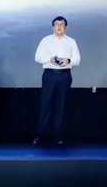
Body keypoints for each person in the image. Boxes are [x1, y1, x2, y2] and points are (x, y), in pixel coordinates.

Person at [33, 16, 81, 146]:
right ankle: (41, 136)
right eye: (56, 24)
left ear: (66, 27)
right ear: (53, 27)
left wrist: (68, 60)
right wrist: (50, 59)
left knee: (62, 105)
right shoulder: (45, 40)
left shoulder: (71, 42)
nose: (59, 26)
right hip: (49, 74)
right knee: (45, 104)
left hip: (65, 75)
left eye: (62, 24)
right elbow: (37, 57)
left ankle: (59, 137)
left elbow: (77, 59)